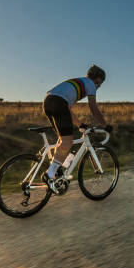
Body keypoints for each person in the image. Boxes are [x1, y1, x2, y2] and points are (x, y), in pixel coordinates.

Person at [41, 64, 112, 193]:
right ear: (95, 78)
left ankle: (57, 170)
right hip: (58, 103)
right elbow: (93, 108)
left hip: (48, 101)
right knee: (68, 142)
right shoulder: (90, 84)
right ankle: (50, 174)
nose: (98, 86)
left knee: (62, 140)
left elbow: (67, 110)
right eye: (98, 83)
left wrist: (80, 125)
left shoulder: (78, 83)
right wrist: (105, 125)